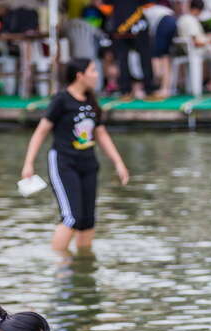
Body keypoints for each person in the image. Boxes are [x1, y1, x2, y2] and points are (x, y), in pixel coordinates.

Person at [21, 59, 130, 252]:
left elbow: (101, 133)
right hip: (64, 162)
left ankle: (83, 267)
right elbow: (41, 131)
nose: (97, 75)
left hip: (88, 163)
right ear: (80, 75)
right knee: (71, 217)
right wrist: (28, 163)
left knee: (87, 220)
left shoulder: (91, 101)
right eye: (93, 71)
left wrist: (119, 163)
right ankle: (59, 266)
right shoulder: (61, 100)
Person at [108, 0, 158, 99]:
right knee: (123, 59)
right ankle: (125, 90)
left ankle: (149, 89)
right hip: (121, 24)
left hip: (137, 23)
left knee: (145, 57)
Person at [144, 2, 177, 97]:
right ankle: (166, 87)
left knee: (161, 56)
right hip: (173, 20)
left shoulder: (143, 12)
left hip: (164, 22)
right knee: (164, 56)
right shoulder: (151, 9)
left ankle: (164, 88)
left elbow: (149, 34)